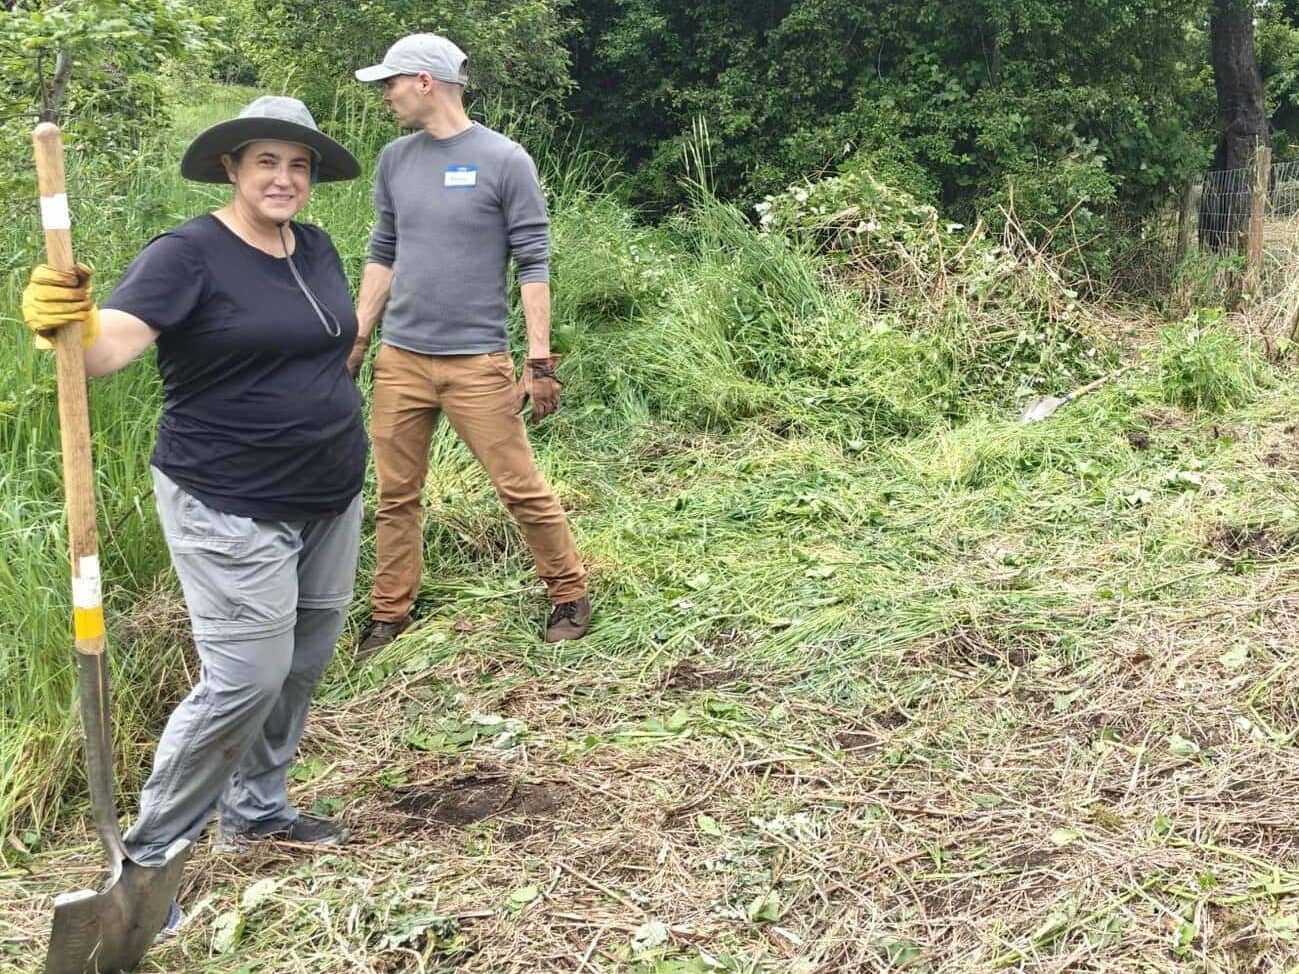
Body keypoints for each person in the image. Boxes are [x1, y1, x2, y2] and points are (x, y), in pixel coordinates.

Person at [20, 96, 366, 922]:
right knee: (245, 676)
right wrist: (66, 324)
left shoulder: (312, 246)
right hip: (227, 498)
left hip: (329, 491)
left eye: (300, 164)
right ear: (231, 168)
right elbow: (107, 350)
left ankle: (256, 812)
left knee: (300, 664)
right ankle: (145, 866)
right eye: (266, 162)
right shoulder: (188, 252)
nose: (285, 178)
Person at [351, 33, 591, 652]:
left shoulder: (505, 159)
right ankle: (390, 611)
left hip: (476, 363)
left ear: (425, 82)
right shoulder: (395, 160)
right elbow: (384, 252)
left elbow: (533, 261)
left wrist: (539, 361)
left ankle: (568, 592)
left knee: (518, 485)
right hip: (400, 359)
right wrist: (357, 341)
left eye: (392, 83)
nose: (386, 96)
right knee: (395, 493)